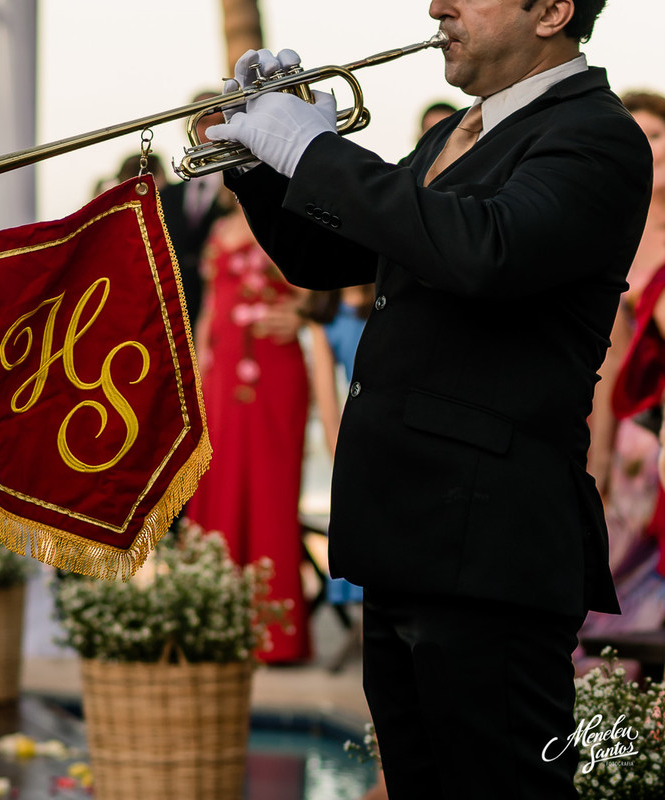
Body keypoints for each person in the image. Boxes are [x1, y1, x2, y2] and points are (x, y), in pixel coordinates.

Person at [204, 0, 650, 796]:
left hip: (491, 545)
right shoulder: (456, 132)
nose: (436, 4)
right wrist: (259, 161)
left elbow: (484, 249)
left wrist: (318, 152)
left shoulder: (596, 135)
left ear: (552, 10)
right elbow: (325, 256)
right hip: (405, 531)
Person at [184, 197, 311, 664]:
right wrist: (198, 376)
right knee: (216, 484)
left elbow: (327, 288)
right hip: (221, 373)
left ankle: (274, 636)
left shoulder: (287, 217)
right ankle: (212, 624)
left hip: (272, 370)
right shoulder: (219, 229)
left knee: (270, 490)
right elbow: (210, 305)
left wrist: (302, 316)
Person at [582, 91, 665, 643]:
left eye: (658, 136)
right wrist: (599, 457)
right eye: (638, 139)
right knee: (616, 577)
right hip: (641, 437)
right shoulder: (614, 238)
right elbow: (610, 360)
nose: (650, 151)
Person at [159, 91, 226, 329]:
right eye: (204, 122)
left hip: (225, 317)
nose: (211, 132)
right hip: (176, 318)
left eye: (221, 122)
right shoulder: (165, 196)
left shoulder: (245, 191)